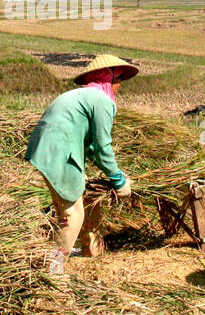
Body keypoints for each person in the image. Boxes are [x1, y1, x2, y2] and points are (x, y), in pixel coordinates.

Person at [25, 54, 137, 269]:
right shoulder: (102, 101)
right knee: (72, 214)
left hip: (45, 148)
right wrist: (118, 180)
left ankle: (85, 250)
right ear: (108, 78)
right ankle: (53, 268)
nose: (120, 86)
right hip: (58, 150)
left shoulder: (81, 95)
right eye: (119, 79)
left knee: (72, 205)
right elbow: (103, 146)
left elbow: (93, 147)